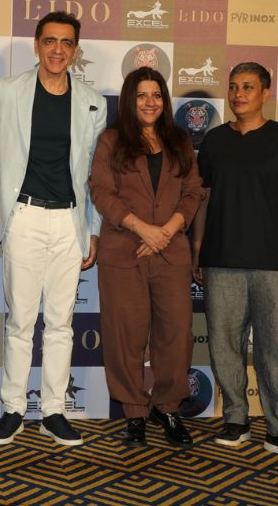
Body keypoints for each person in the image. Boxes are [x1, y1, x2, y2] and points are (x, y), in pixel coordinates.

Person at [0, 11, 107, 446]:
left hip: (69, 221)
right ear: (37, 45)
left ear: (76, 50)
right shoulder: (8, 91)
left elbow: (93, 173)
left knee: (60, 323)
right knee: (20, 321)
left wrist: (93, 230)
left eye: (66, 42)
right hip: (25, 216)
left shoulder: (93, 102)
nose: (58, 49)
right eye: (50, 41)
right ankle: (13, 408)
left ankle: (54, 410)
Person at [192, 62, 278, 462]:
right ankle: (235, 419)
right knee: (224, 344)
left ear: (265, 92)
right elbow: (204, 201)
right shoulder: (213, 142)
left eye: (247, 87)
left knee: (277, 347)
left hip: (271, 262)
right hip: (220, 260)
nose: (238, 94)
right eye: (233, 87)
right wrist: (198, 249)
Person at [89, 67, 203, 448]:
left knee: (176, 335)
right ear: (129, 100)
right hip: (124, 252)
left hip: (171, 253)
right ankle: (135, 412)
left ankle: (167, 408)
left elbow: (192, 192)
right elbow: (101, 192)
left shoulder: (179, 141)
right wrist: (142, 229)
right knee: (125, 336)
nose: (149, 102)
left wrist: (166, 231)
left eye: (156, 95)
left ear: (164, 101)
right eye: (141, 95)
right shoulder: (111, 140)